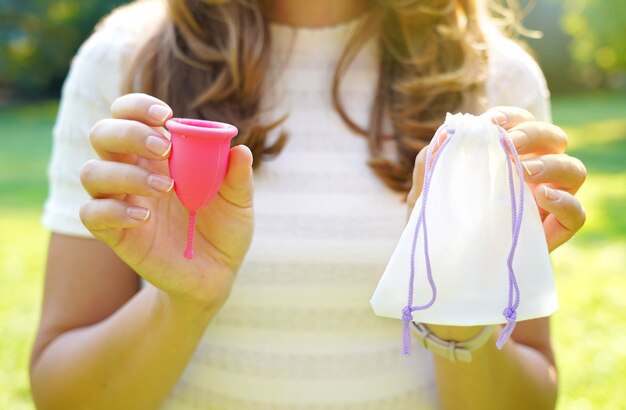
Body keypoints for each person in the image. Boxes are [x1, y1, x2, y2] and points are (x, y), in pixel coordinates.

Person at [30, 0, 587, 408]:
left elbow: (526, 398)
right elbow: (64, 395)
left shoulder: (499, 77)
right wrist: (181, 304)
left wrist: (457, 309)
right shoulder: (125, 60)